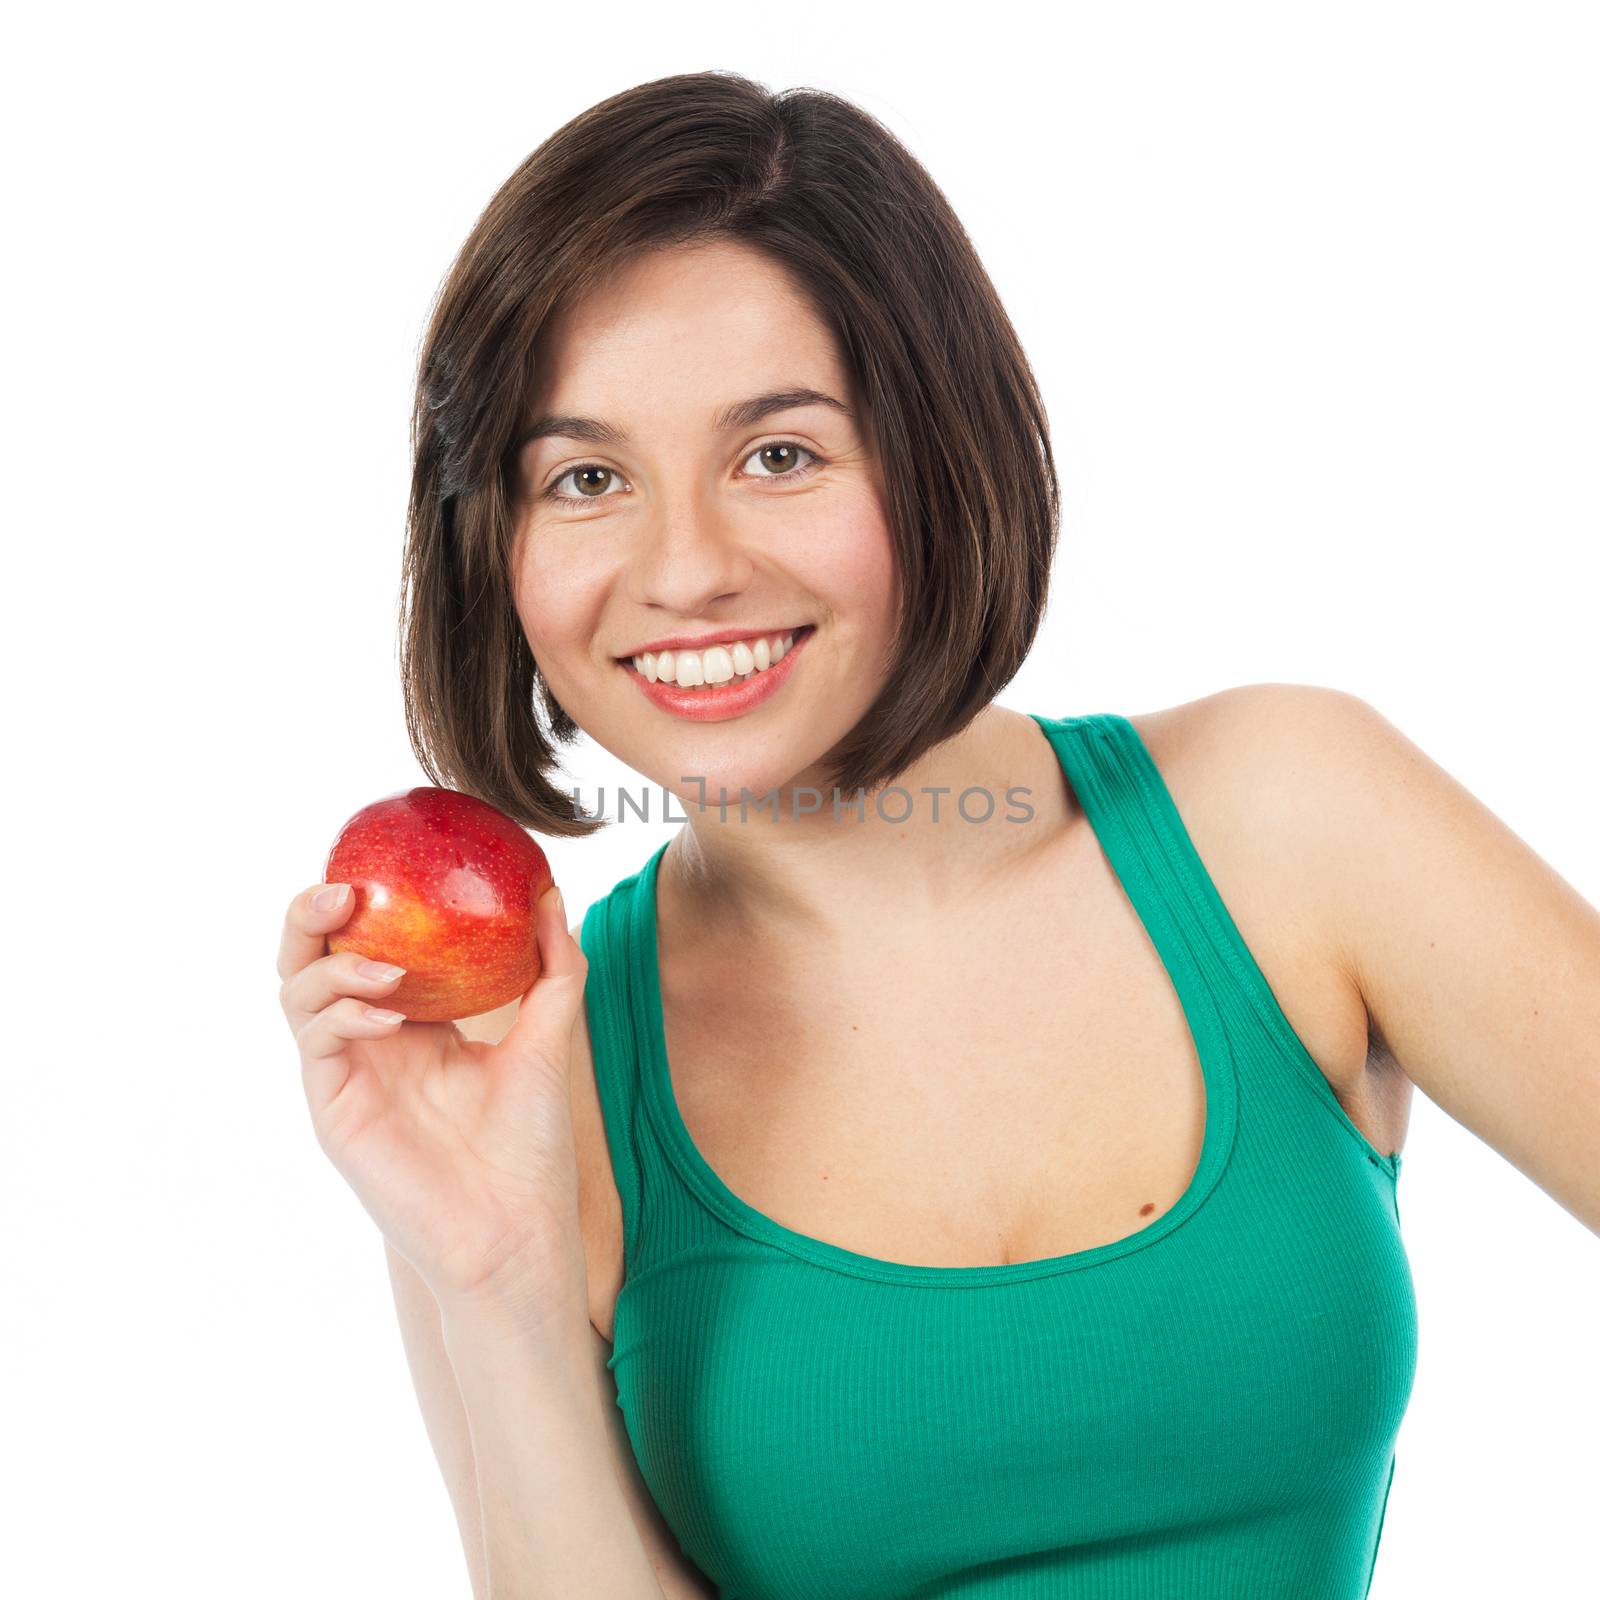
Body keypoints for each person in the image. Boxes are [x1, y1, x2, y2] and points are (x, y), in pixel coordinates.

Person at [275, 71, 1600, 1600]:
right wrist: (496, 1282)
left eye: (779, 454)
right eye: (586, 479)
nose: (687, 568)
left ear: (937, 450)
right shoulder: (527, 1075)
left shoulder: (1288, 819)